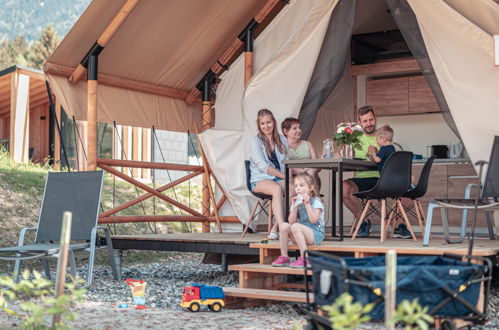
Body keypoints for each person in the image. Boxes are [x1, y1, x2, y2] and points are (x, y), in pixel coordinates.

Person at [271, 173, 325, 268]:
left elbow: (313, 220)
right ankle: (284, 256)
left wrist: (307, 204)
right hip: (300, 233)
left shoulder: (316, 201)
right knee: (283, 225)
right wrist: (295, 206)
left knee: (296, 226)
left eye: (301, 185)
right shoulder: (297, 201)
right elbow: (291, 222)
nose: (298, 188)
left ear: (311, 188)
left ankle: (305, 258)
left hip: (315, 233)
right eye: (296, 186)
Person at [249, 109, 288, 240]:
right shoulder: (256, 141)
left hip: (279, 177)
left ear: (274, 122)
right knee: (277, 189)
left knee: (293, 190)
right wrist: (284, 177)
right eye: (263, 123)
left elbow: (288, 161)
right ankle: (283, 225)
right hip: (260, 179)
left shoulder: (282, 139)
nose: (266, 126)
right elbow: (263, 166)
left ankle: (277, 227)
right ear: (259, 125)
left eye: (268, 122)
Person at [342, 105, 380, 238]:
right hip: (362, 178)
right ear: (359, 123)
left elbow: (391, 155)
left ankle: (399, 225)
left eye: (371, 120)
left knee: (408, 179)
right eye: (365, 121)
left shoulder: (383, 136)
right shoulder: (355, 139)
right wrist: (339, 153)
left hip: (381, 179)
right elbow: (345, 155)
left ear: (375, 119)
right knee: (343, 188)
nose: (369, 124)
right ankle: (363, 221)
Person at [281, 117, 321, 193]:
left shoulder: (308, 144)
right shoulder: (281, 147)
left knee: (311, 172)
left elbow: (318, 166)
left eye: (299, 128)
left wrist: (310, 169)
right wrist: (301, 171)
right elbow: (281, 168)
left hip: (311, 177)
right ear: (286, 131)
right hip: (292, 179)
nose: (299, 130)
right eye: (295, 128)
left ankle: (316, 198)